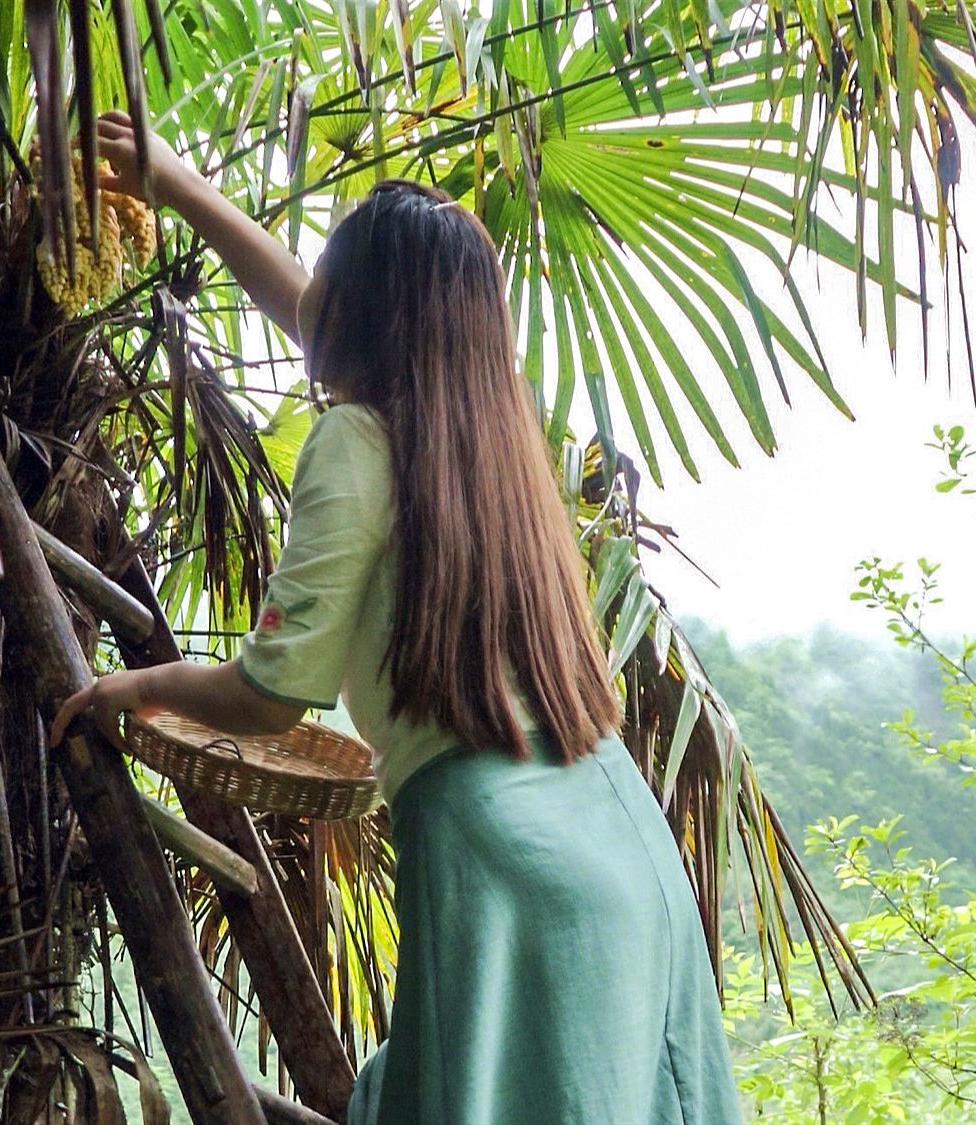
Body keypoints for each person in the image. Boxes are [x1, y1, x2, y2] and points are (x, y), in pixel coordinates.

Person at [49, 110, 743, 1125]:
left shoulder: (355, 440)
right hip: (621, 848)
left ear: (361, 311)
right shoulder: (492, 436)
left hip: (499, 854)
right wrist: (184, 189)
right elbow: (320, 321)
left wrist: (129, 687)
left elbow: (274, 690)